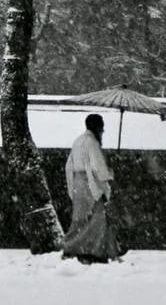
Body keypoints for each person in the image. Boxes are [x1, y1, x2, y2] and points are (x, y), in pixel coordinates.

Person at [61, 113, 124, 264]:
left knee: (80, 220)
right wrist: (110, 173)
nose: (103, 131)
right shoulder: (92, 143)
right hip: (90, 185)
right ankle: (91, 250)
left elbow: (69, 165)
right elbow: (98, 168)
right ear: (97, 127)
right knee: (97, 219)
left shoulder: (78, 141)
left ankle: (76, 247)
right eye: (102, 128)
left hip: (78, 185)